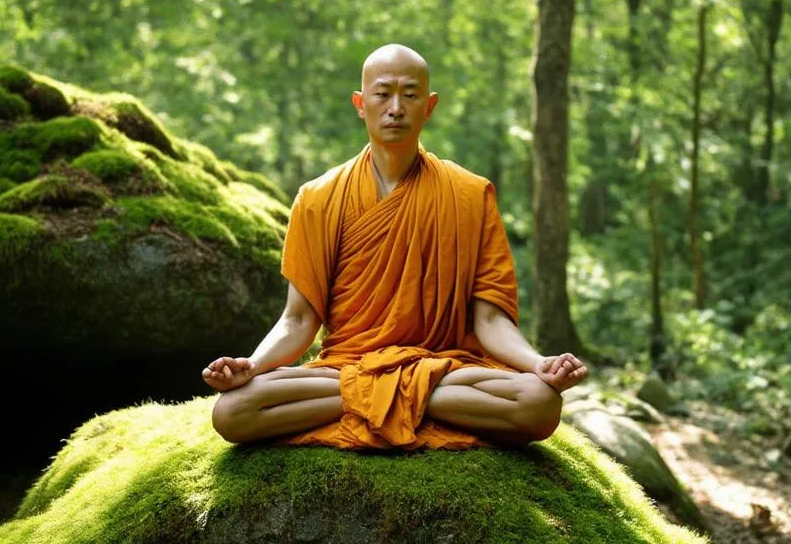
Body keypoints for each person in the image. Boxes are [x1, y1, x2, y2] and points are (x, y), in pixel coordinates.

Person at [203, 44, 588, 450]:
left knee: (539, 402)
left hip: (442, 366)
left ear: (430, 105)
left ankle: (386, 400)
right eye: (382, 93)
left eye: (410, 94)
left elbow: (490, 322)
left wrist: (538, 364)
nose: (396, 108)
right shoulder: (318, 198)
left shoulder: (470, 195)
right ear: (360, 102)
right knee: (232, 412)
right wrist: (254, 365)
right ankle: (407, 402)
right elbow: (298, 321)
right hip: (348, 367)